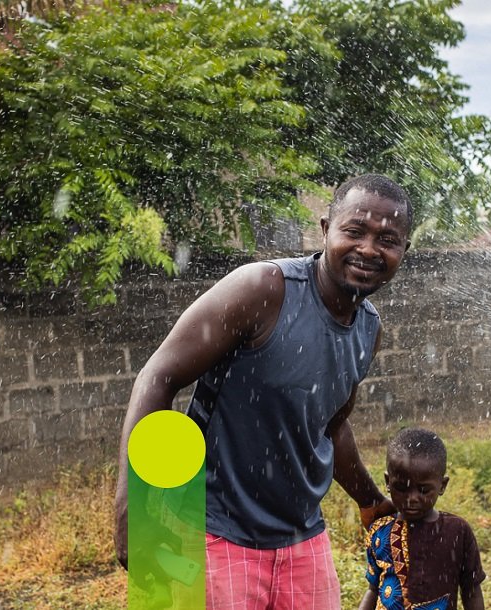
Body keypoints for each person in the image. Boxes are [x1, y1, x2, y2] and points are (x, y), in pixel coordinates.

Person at [114, 174, 414, 609]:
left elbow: (330, 425)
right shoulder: (264, 290)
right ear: (326, 228)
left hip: (302, 541)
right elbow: (157, 378)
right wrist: (136, 513)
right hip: (213, 533)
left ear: (404, 250)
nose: (369, 249)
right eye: (354, 231)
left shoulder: (369, 328)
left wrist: (372, 503)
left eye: (387, 239)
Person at [359, 428, 485, 610]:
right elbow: (373, 589)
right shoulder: (379, 531)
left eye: (423, 490)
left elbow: (471, 590)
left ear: (442, 485)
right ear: (388, 482)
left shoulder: (457, 531)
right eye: (401, 488)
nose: (412, 498)